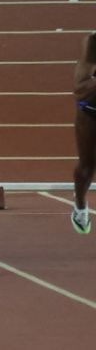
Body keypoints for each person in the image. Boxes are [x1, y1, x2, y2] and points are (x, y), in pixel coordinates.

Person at [72, 31, 95, 234]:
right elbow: (80, 88)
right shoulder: (94, 42)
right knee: (87, 167)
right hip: (91, 111)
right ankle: (80, 206)